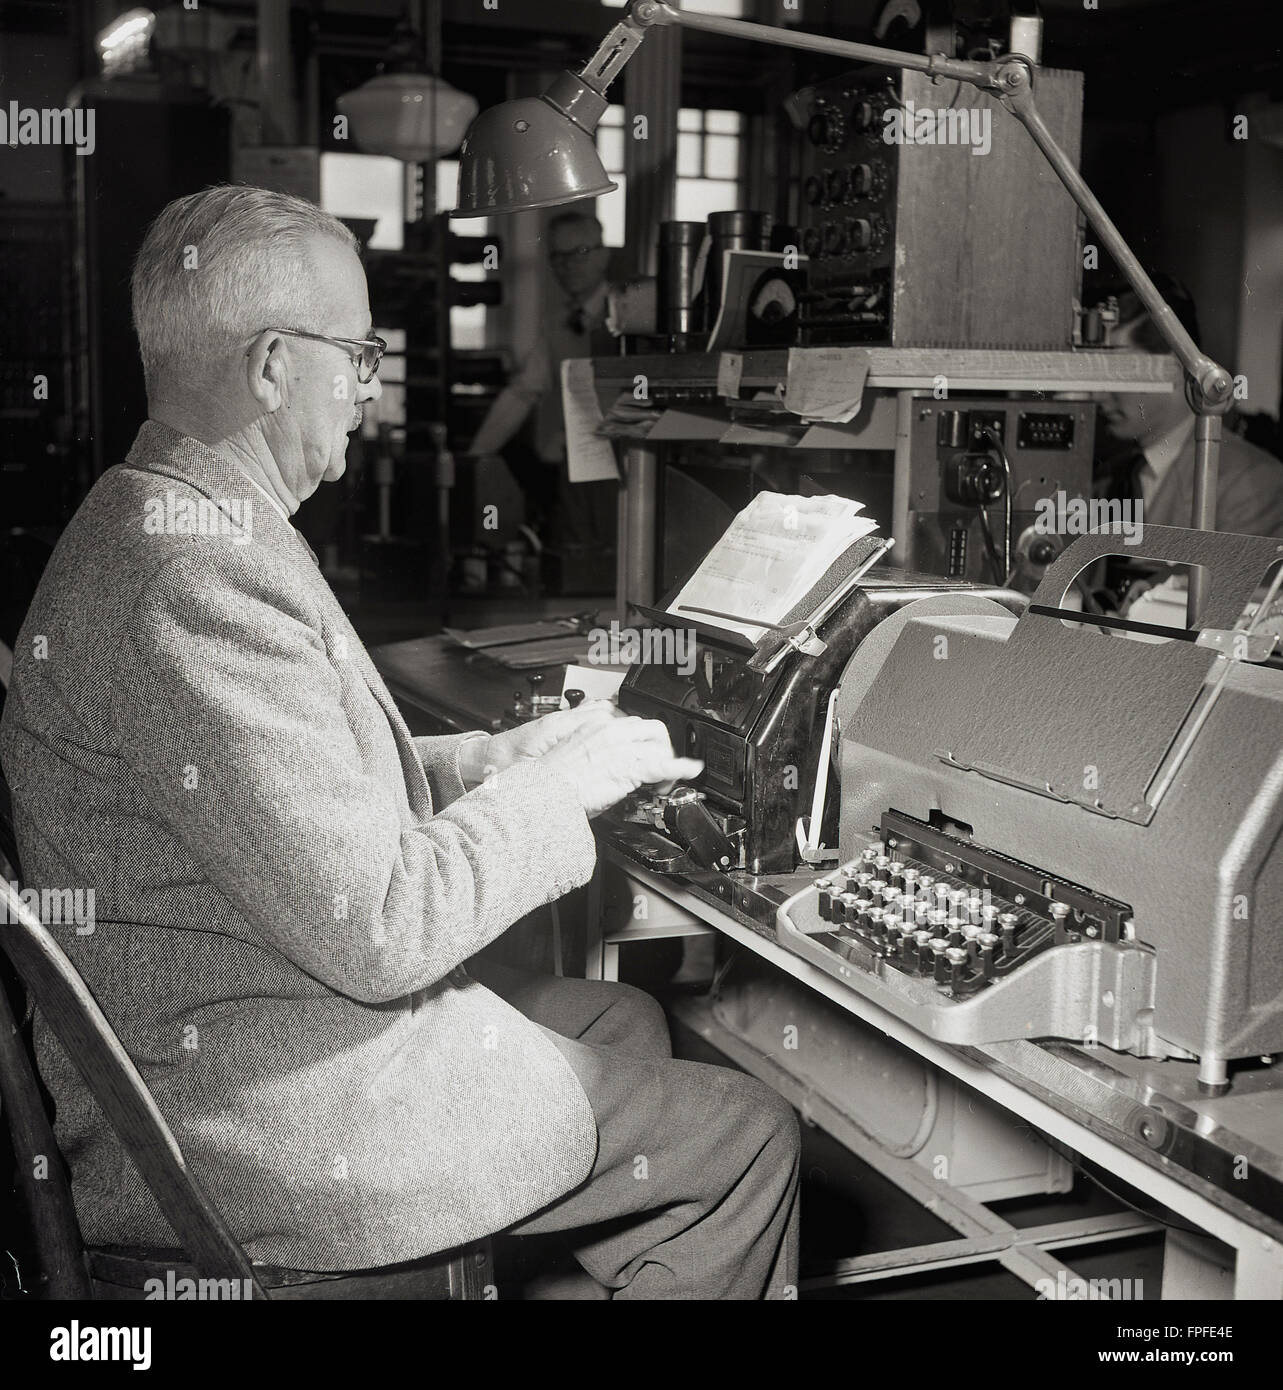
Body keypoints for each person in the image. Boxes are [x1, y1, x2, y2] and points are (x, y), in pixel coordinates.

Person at [0, 186, 799, 1299]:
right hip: (259, 1121)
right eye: (358, 356)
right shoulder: (192, 579)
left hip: (243, 1024)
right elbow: (379, 924)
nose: (370, 397)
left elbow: (283, 788)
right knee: (748, 1137)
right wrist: (561, 794)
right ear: (273, 367)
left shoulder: (173, 517)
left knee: (622, 1015)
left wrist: (492, 765)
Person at [467, 210, 619, 589]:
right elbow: (523, 391)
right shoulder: (557, 324)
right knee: (577, 572)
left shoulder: (631, 317)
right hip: (571, 474)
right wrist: (474, 458)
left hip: (621, 475)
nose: (568, 265)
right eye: (558, 256)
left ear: (604, 255)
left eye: (580, 252)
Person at [1096, 277, 1283, 536]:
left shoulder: (1252, 484)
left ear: (1170, 369)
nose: (1098, 393)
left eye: (1117, 373)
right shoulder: (1107, 480)